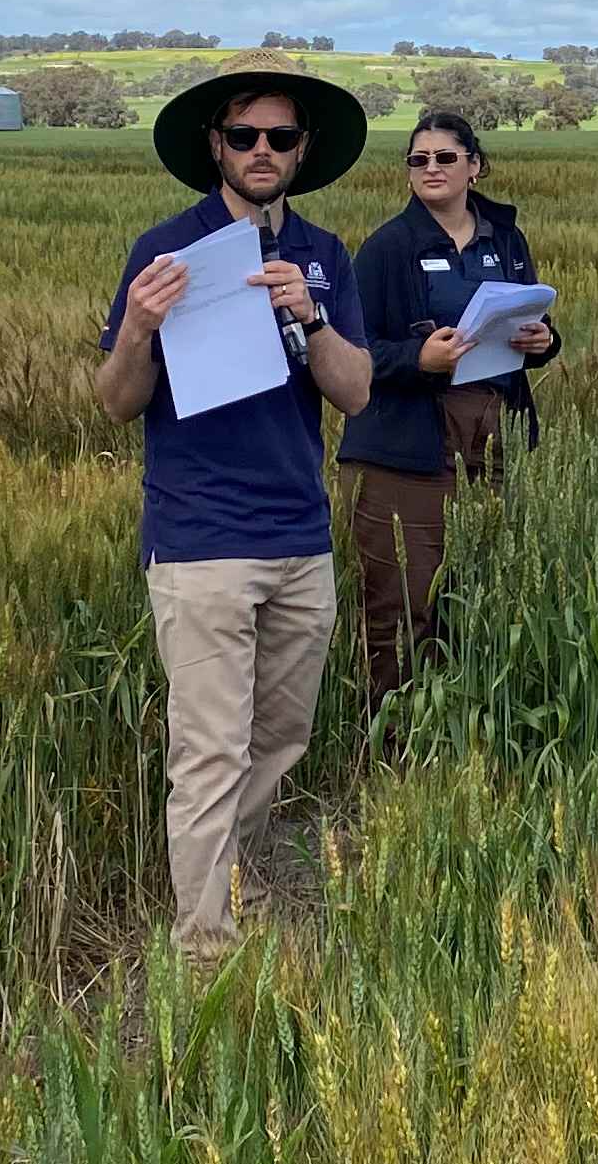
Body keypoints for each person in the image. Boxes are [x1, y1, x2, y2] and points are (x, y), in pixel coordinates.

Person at [91, 68, 374, 965]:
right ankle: (205, 947)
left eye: (280, 139)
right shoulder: (169, 250)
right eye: (245, 136)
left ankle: (228, 878)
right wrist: (137, 328)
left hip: (300, 535)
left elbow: (358, 392)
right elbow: (114, 401)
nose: (262, 152)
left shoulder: (323, 253)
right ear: (215, 145)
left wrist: (312, 314)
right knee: (210, 749)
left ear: (303, 152)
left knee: (282, 736)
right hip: (201, 539)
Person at [338, 111, 560, 717]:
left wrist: (544, 342)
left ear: (475, 166)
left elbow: (531, 317)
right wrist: (419, 357)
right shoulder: (387, 248)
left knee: (483, 589)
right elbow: (350, 354)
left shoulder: (506, 240)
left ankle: (468, 727)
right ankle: (395, 739)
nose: (430, 168)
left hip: (494, 435)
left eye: (444, 157)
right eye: (418, 160)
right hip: (408, 447)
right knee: (405, 599)